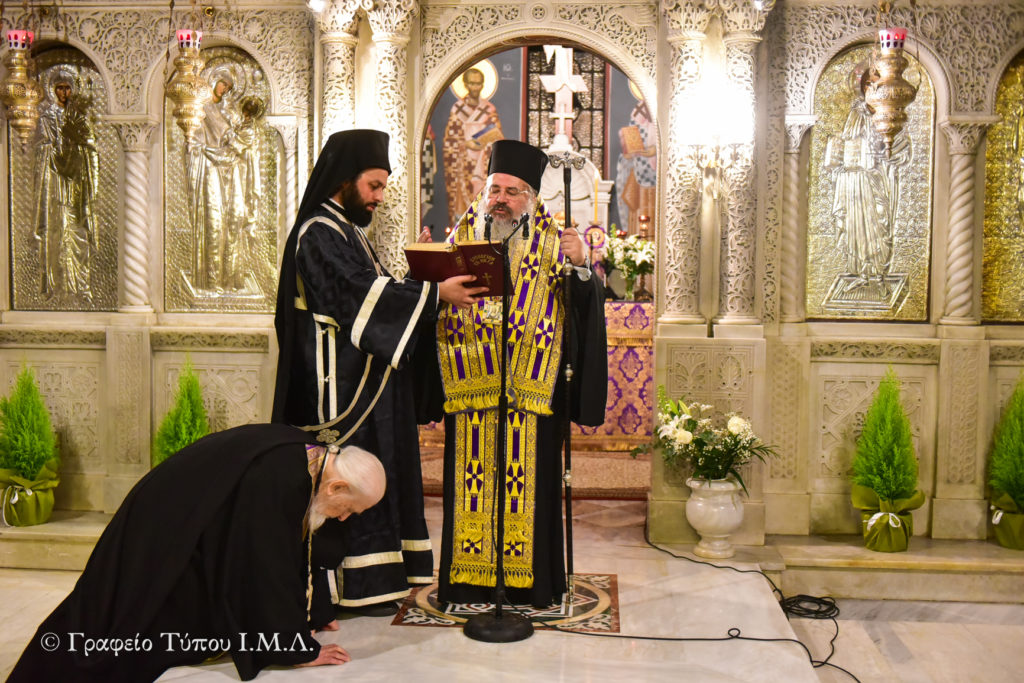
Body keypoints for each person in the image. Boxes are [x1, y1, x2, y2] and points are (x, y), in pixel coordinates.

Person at [272, 129, 484, 619]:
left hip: (363, 378)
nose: (378, 197)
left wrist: (421, 278)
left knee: (379, 471)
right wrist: (434, 296)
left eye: (383, 186)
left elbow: (374, 291)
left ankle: (379, 580)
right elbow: (355, 298)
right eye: (373, 185)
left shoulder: (345, 229)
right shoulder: (317, 233)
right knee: (346, 481)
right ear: (344, 180)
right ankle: (345, 588)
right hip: (337, 387)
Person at [9, 423, 385, 682]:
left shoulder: (312, 463)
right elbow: (266, 570)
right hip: (164, 525)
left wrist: (314, 611)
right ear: (336, 487)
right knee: (127, 621)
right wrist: (297, 649)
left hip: (193, 517)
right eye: (350, 508)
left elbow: (298, 546)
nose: (345, 517)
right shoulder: (282, 479)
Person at [420, 139, 608, 608]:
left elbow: (586, 308)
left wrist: (581, 264)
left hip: (532, 389)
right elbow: (433, 297)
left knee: (530, 489)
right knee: (471, 486)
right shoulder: (462, 236)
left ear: (531, 197)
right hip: (472, 386)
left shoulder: (554, 241)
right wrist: (431, 283)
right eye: (495, 188)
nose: (500, 198)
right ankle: (469, 584)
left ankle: (530, 585)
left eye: (512, 191)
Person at [826, 62, 911, 296]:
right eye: (867, 84)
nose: (870, 88)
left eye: (875, 84)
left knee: (878, 225)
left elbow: (900, 148)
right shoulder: (855, 114)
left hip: (874, 181)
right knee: (854, 228)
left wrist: (881, 154)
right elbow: (847, 140)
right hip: (852, 182)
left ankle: (879, 275)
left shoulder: (887, 112)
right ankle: (861, 274)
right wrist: (838, 153)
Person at [34, 65, 98, 302]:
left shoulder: (79, 116)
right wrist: (56, 148)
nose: (63, 93)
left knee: (77, 231)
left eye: (67, 88)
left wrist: (75, 145)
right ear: (53, 90)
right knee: (56, 231)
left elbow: (89, 146)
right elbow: (42, 147)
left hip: (75, 183)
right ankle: (55, 285)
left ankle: (80, 285)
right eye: (59, 88)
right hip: (54, 184)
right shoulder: (47, 116)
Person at [187, 67, 247, 294]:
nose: (225, 89)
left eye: (229, 87)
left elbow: (235, 138)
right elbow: (204, 139)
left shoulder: (226, 111)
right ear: (213, 81)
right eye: (223, 83)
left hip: (229, 169)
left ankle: (229, 278)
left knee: (233, 219)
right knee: (214, 222)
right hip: (210, 167)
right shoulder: (202, 108)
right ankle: (211, 280)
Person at [442, 67, 504, 225]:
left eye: (479, 84)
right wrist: (464, 144)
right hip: (463, 166)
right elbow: (450, 140)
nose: (475, 88)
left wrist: (483, 144)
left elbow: (498, 140)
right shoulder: (458, 109)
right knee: (463, 205)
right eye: (472, 84)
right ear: (465, 85)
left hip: (483, 165)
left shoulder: (489, 109)